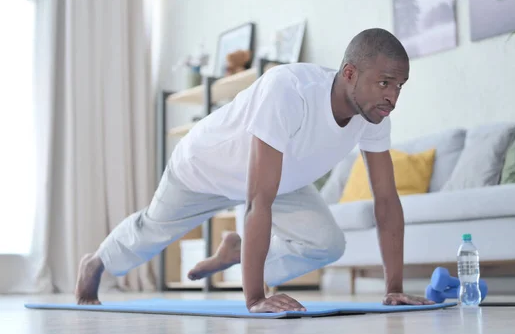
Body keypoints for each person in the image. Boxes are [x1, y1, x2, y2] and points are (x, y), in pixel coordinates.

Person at [75, 27, 435, 312]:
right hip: (205, 168)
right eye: (385, 83)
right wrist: (254, 298)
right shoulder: (290, 90)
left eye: (399, 86)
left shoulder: (374, 114)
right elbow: (257, 199)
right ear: (350, 73)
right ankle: (96, 262)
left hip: (280, 179)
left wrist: (394, 289)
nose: (392, 97)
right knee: (150, 233)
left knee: (327, 244)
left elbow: (386, 201)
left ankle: (237, 251)